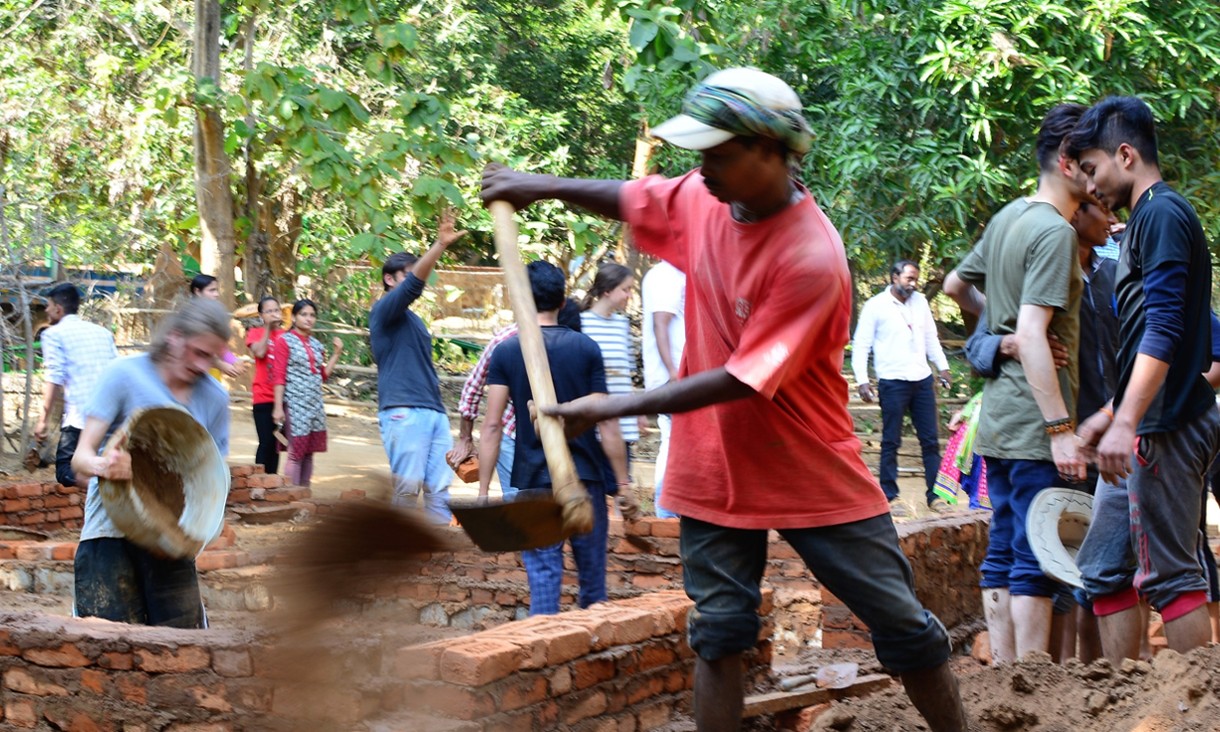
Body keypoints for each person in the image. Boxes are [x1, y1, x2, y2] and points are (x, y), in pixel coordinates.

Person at [483, 67, 967, 732]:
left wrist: (614, 406)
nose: (702, 169)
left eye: (718, 154)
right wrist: (534, 186)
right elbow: (633, 196)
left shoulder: (809, 257)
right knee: (718, 635)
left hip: (810, 470)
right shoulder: (706, 198)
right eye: (699, 156)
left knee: (903, 627)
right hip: (715, 465)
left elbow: (743, 377)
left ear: (771, 152)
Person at [1067, 96, 1220, 659]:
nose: (1090, 186)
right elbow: (1144, 346)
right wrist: (1107, 420)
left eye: (1092, 169)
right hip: (1143, 426)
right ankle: (1122, 699)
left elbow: (1165, 330)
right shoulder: (1147, 221)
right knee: (1105, 566)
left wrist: (1126, 420)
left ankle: (1193, 711)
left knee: (1172, 576)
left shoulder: (1161, 214)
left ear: (1125, 155)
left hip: (1168, 429)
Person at [943, 103, 1088, 664]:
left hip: (997, 416)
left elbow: (957, 285)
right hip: (1033, 420)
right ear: (1066, 160)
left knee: (1003, 544)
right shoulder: (1053, 231)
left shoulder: (1008, 217)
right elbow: (1033, 334)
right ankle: (1031, 683)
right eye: (1091, 160)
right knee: (1036, 549)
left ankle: (1004, 677)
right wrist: (1059, 427)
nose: (1099, 174)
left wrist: (999, 335)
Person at [70, 299, 232, 627]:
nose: (204, 366)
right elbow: (80, 457)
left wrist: (205, 528)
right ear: (174, 337)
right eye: (199, 352)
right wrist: (105, 466)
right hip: (108, 532)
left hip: (171, 540)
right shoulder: (123, 375)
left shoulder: (215, 397)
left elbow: (212, 478)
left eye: (212, 357)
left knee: (184, 646)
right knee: (106, 644)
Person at [477, 261, 625, 614]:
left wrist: (483, 493)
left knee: (543, 578)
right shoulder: (586, 349)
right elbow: (606, 424)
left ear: (523, 301)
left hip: (532, 481)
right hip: (585, 479)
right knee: (592, 583)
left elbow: (493, 426)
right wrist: (623, 483)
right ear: (562, 301)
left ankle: (541, 657)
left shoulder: (508, 351)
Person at [369, 213, 466, 524]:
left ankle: (436, 567)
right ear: (389, 279)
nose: (418, 278)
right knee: (407, 490)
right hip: (403, 410)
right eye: (409, 274)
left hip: (433, 411)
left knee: (440, 491)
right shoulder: (384, 311)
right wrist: (439, 245)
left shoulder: (413, 320)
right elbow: (413, 287)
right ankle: (395, 563)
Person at [852, 260, 952, 516]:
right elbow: (862, 344)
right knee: (891, 441)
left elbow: (931, 337)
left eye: (916, 279)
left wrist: (943, 367)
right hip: (892, 381)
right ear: (894, 277)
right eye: (909, 278)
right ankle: (891, 496)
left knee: (930, 441)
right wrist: (862, 379)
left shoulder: (920, 302)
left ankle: (935, 496)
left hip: (921, 379)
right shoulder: (876, 306)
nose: (914, 283)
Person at [34, 283, 118, 488]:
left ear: (58, 309)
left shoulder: (53, 334)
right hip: (112, 415)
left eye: (48, 305)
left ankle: (109, 492)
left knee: (65, 471)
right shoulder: (102, 332)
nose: (46, 310)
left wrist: (43, 421)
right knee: (99, 464)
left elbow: (54, 377)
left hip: (80, 418)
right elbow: (117, 369)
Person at [580, 263, 642, 517]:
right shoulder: (581, 324)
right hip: (591, 421)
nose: (629, 295)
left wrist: (638, 410)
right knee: (593, 488)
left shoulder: (621, 324)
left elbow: (625, 372)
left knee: (621, 490)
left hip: (621, 419)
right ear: (607, 291)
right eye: (625, 289)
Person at [272, 299, 342, 488]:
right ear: (294, 317)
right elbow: (278, 376)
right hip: (295, 404)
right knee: (296, 453)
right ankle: (290, 498)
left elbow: (322, 375)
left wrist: (336, 354)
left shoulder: (317, 345)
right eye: (304, 314)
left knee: (309, 452)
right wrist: (278, 408)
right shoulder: (284, 341)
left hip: (315, 404)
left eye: (312, 315)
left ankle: (304, 495)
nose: (309, 319)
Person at [641, 259, 686, 519]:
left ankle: (669, 512)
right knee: (673, 443)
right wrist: (673, 373)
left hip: (681, 378)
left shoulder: (676, 273)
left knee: (677, 443)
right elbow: (661, 323)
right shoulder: (667, 274)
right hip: (677, 379)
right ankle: (666, 513)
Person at [245, 296, 283, 474]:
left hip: (282, 398)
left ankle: (272, 483)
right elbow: (259, 352)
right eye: (269, 311)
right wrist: (267, 327)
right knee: (265, 441)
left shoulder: (286, 336)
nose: (274, 314)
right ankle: (257, 480)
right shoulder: (254, 333)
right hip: (262, 397)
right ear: (261, 315)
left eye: (276, 310)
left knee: (276, 444)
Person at [189, 274, 245, 380]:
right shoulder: (190, 316)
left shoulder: (213, 315)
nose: (216, 294)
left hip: (211, 375)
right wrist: (220, 364)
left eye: (216, 290)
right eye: (211, 290)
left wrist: (234, 361)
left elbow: (219, 347)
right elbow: (196, 349)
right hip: (192, 375)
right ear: (197, 291)